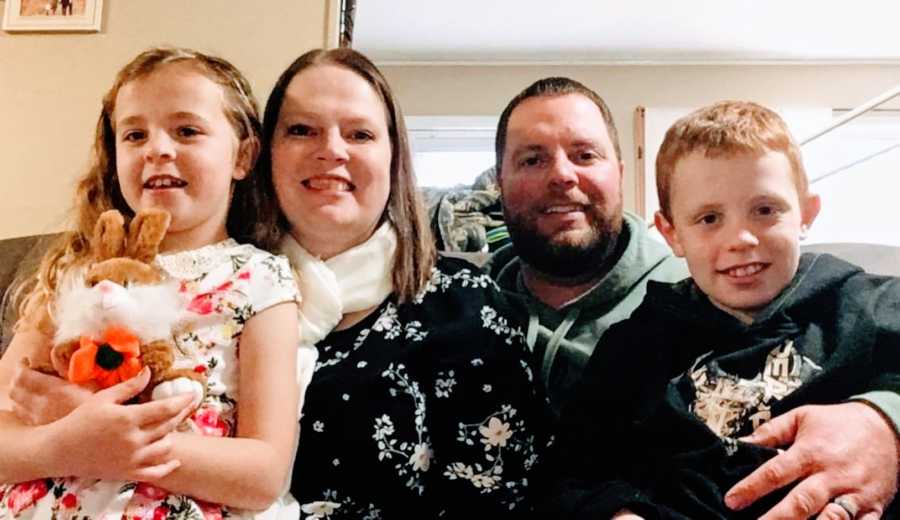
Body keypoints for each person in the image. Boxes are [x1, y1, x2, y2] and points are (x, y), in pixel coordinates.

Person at [491, 78, 899, 518]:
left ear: (807, 213)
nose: (741, 238)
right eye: (708, 218)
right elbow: (574, 471)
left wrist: (888, 419)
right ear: (671, 232)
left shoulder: (863, 303)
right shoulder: (634, 342)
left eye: (765, 210)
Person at [0, 47, 305, 518]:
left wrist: (100, 427)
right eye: (135, 134)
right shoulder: (77, 275)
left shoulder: (260, 281)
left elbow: (261, 475)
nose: (157, 148)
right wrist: (67, 441)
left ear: (242, 156)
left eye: (187, 131)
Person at [255, 48, 544, 519]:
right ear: (265, 153)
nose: (331, 149)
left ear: (393, 158)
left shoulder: (464, 306)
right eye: (302, 130)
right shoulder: (221, 296)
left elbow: (501, 499)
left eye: (359, 133)